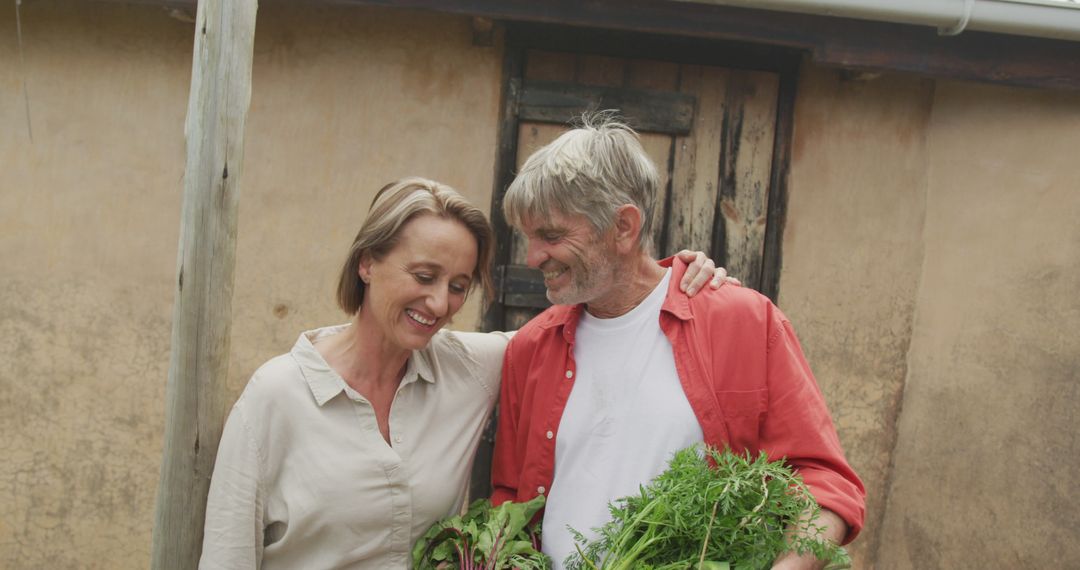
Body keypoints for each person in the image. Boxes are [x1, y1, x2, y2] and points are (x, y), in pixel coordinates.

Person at [198, 176, 729, 569]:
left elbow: (593, 316)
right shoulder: (276, 397)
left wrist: (665, 276)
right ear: (366, 263)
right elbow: (226, 556)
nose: (439, 303)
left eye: (458, 285)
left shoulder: (469, 368)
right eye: (424, 275)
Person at [489, 117, 866, 570]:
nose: (533, 258)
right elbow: (510, 499)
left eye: (551, 236)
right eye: (528, 238)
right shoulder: (530, 347)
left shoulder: (743, 322)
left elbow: (822, 481)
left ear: (624, 227)